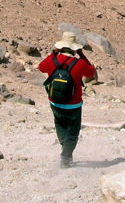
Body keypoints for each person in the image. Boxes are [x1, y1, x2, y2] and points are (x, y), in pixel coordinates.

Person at [38, 31, 97, 167]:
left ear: (60, 47)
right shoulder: (80, 63)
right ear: (74, 49)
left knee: (61, 126)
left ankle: (66, 152)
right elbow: (91, 73)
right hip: (73, 104)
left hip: (55, 102)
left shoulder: (52, 61)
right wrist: (82, 55)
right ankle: (65, 156)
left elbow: (41, 68)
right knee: (73, 132)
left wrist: (53, 53)